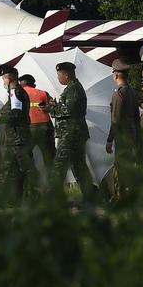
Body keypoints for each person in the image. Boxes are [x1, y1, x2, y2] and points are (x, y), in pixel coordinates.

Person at [41, 62, 95, 204]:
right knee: (78, 166)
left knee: (59, 166)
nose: (58, 77)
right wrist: (55, 105)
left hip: (70, 135)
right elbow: (69, 108)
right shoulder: (72, 89)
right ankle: (92, 197)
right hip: (73, 134)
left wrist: (51, 110)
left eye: (59, 74)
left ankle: (52, 200)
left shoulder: (74, 89)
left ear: (67, 74)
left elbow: (70, 111)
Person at [0, 64, 33, 204]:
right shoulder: (15, 92)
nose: (3, 81)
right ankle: (16, 200)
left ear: (10, 78)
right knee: (17, 171)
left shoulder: (15, 91)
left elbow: (15, 112)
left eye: (4, 78)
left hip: (17, 139)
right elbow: (7, 108)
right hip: (16, 138)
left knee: (14, 170)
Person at [105, 59, 140, 202]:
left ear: (116, 75)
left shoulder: (119, 94)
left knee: (120, 168)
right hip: (132, 134)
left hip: (122, 135)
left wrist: (109, 140)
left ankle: (121, 198)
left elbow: (115, 120)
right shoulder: (131, 91)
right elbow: (137, 116)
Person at [19, 74, 56, 172]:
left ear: (21, 84)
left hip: (27, 128)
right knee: (49, 157)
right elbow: (54, 106)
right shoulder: (43, 93)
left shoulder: (17, 94)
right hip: (45, 127)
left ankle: (33, 181)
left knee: (25, 156)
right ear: (33, 84)